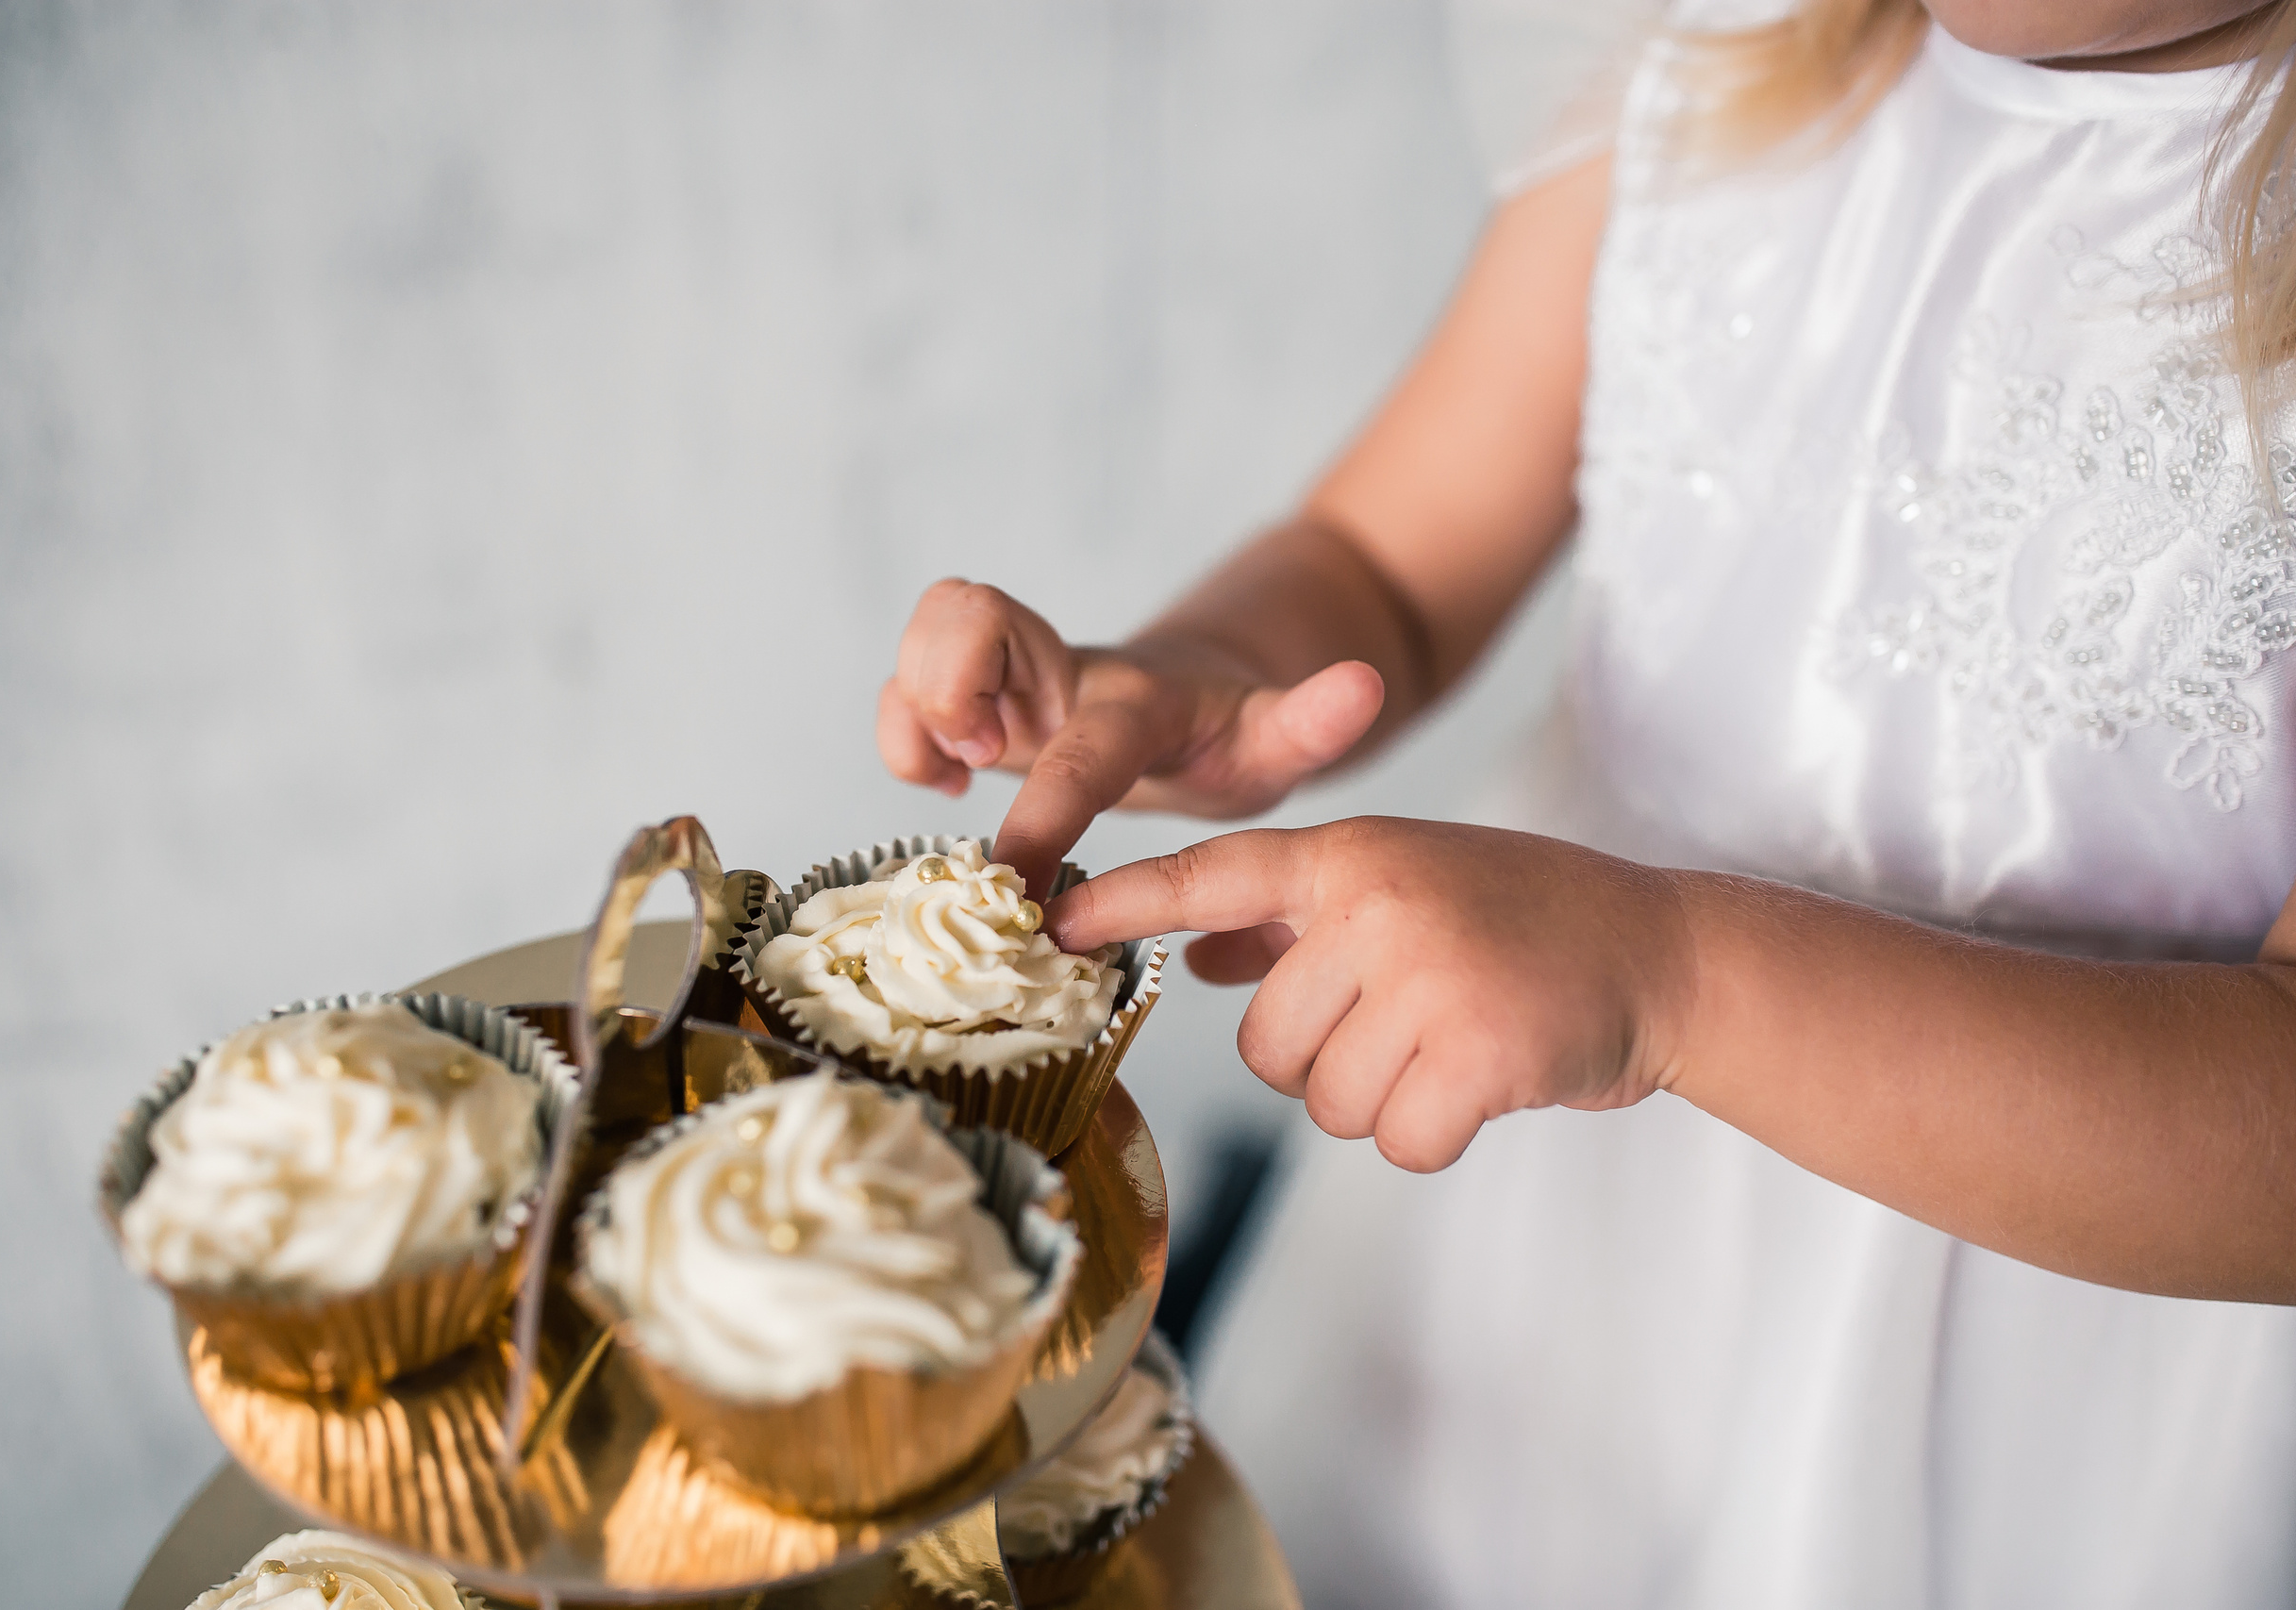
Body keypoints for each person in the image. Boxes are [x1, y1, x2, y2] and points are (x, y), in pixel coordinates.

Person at [880, 1, 2296, 1604]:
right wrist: (1194, 670)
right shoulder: (1726, 57)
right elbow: (1384, 561)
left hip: (2028, 1387)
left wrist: (1671, 976)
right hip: (1549, 1242)